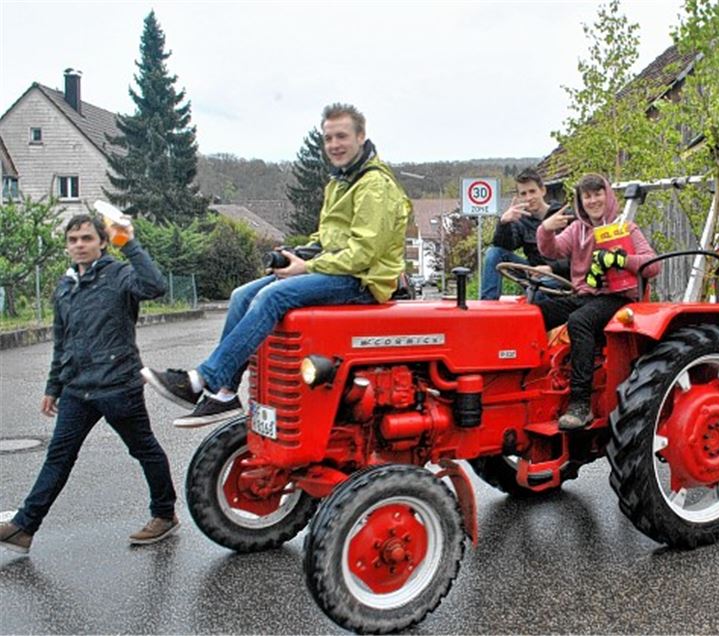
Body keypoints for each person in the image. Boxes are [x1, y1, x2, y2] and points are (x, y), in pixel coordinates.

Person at [143, 103, 411, 428]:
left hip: (363, 280)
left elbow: (363, 254)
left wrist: (306, 268)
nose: (334, 145)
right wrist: (297, 254)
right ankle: (225, 393)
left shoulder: (374, 185)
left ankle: (203, 379)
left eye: (341, 136)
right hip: (336, 270)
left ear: (361, 137)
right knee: (242, 295)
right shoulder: (340, 182)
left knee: (272, 297)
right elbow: (329, 237)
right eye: (328, 138)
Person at [0, 214, 178, 554]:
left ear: (102, 243)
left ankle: (164, 514)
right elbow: (62, 340)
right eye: (73, 240)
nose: (79, 245)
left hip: (118, 385)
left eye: (86, 238)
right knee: (58, 457)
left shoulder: (120, 275)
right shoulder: (65, 285)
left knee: (143, 449)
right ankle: (24, 528)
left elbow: (155, 286)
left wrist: (129, 243)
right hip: (76, 389)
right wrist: (53, 386)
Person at [535, 173, 660, 430]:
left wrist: (622, 259)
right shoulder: (577, 230)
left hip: (617, 299)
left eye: (597, 194)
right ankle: (532, 385)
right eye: (587, 196)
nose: (593, 201)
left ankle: (580, 405)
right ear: (581, 201)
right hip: (584, 296)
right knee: (535, 313)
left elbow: (653, 265)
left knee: (580, 321)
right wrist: (545, 229)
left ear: (607, 195)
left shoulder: (625, 228)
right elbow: (552, 250)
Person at [480, 168, 570, 300]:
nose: (529, 198)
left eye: (532, 191)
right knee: (493, 252)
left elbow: (579, 257)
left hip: (561, 275)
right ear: (519, 197)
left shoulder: (564, 216)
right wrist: (504, 223)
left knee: (537, 294)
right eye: (524, 193)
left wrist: (551, 268)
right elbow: (505, 246)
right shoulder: (521, 220)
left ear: (543, 190)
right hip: (533, 272)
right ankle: (488, 304)